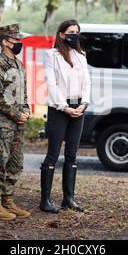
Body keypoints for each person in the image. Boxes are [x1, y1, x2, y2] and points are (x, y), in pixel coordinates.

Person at [40, 20, 91, 214]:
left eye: (77, 32)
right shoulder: (51, 55)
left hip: (79, 107)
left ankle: (68, 198)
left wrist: (84, 104)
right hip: (59, 109)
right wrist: (64, 107)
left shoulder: (81, 56)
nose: (75, 35)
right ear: (61, 34)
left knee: (72, 154)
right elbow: (51, 84)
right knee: (53, 154)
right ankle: (45, 200)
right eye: (71, 32)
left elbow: (87, 82)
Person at [0, 24, 31, 221]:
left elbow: (23, 93)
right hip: (1, 123)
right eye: (16, 41)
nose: (20, 44)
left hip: (18, 123)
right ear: (4, 42)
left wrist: (26, 109)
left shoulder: (19, 64)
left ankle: (8, 199)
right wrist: (15, 114)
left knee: (15, 163)